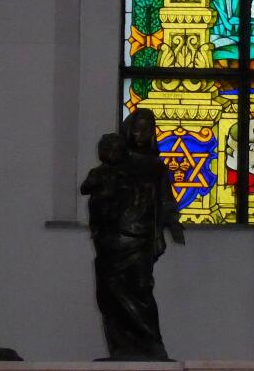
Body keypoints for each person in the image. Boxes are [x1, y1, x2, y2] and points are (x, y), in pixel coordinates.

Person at [81, 108, 185, 362]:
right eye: (137, 128)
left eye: (147, 130)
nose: (141, 134)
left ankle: (151, 344)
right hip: (112, 239)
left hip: (140, 239)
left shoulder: (157, 167)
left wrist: (170, 223)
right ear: (128, 131)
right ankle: (120, 347)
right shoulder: (115, 163)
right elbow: (94, 193)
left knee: (140, 291)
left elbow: (165, 199)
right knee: (109, 293)